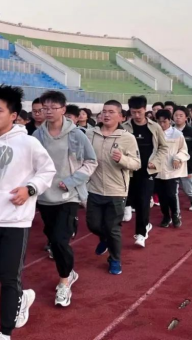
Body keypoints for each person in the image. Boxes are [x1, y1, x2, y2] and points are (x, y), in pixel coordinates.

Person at [0, 85, 56, 340]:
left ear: (13, 115)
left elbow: (47, 171)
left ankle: (5, 331)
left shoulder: (28, 142)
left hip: (16, 218)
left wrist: (30, 189)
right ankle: (22, 298)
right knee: (1, 272)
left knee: (9, 277)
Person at [33, 91, 97, 307]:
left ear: (63, 109)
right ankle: (69, 272)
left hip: (68, 196)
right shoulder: (37, 135)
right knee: (53, 241)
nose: (48, 111)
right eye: (45, 108)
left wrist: (71, 181)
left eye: (53, 107)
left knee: (60, 240)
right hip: (45, 197)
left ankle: (64, 281)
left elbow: (91, 161)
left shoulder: (76, 135)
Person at [86, 100, 140, 275]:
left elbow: (136, 163)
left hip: (116, 191)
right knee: (93, 224)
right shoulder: (90, 134)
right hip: (94, 188)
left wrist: (122, 159)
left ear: (121, 117)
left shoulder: (127, 138)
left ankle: (115, 260)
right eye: (104, 111)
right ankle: (104, 239)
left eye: (111, 112)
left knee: (113, 228)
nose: (106, 115)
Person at [123, 96, 168, 248]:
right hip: (129, 170)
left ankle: (141, 234)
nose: (137, 115)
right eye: (133, 112)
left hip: (147, 171)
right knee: (134, 200)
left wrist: (155, 161)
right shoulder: (124, 127)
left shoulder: (155, 127)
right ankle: (146, 224)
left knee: (143, 202)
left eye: (139, 112)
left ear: (145, 110)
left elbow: (163, 147)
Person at [154, 110, 190, 228]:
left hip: (172, 170)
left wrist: (178, 158)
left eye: (164, 121)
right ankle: (166, 216)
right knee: (161, 195)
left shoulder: (177, 134)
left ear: (170, 120)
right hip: (157, 170)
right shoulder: (154, 133)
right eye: (159, 122)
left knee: (171, 194)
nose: (162, 124)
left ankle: (175, 215)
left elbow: (184, 150)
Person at [173, 106, 192, 212]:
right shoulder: (169, 131)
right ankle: (176, 213)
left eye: (181, 116)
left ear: (186, 118)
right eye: (176, 115)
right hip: (172, 165)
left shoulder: (191, 132)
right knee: (173, 191)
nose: (178, 118)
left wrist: (188, 156)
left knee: (188, 189)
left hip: (187, 165)